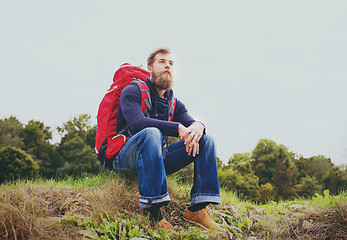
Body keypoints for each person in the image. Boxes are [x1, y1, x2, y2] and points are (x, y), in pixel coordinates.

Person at [114, 48, 221, 234]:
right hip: (126, 158)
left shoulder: (174, 103)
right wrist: (176, 128)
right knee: (151, 133)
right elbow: (137, 123)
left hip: (157, 160)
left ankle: (197, 209)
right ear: (150, 68)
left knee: (205, 140)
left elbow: (191, 125)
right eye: (162, 62)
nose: (167, 66)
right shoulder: (132, 91)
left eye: (171, 63)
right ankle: (153, 211)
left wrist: (199, 125)